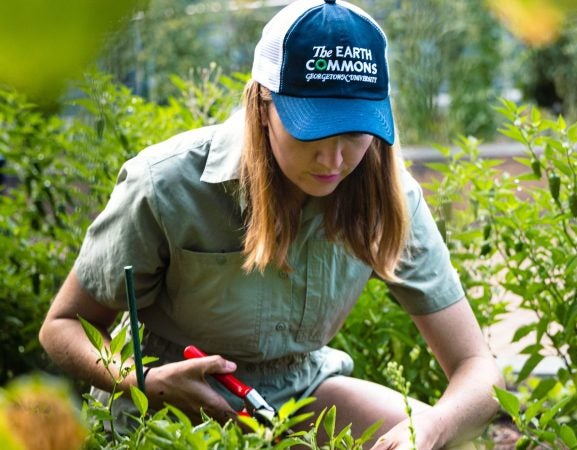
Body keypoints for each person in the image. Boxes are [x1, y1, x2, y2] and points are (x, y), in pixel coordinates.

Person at [38, 0, 503, 448]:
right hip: (173, 400)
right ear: (263, 105)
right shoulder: (165, 185)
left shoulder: (388, 197)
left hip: (301, 389)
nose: (334, 159)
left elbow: (477, 367)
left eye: (355, 133)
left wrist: (429, 431)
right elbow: (62, 326)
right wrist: (142, 379)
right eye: (312, 131)